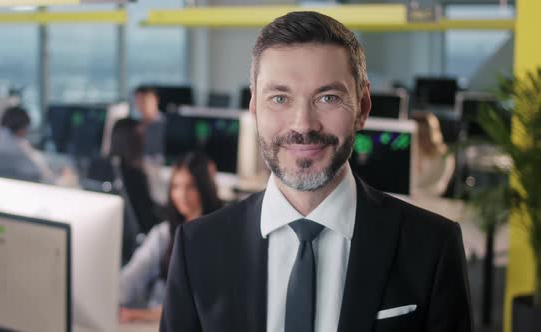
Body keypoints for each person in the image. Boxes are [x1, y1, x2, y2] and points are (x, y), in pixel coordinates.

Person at [160, 11, 472, 332]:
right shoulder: (197, 247)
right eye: (279, 98)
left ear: (363, 107)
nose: (303, 125)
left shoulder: (432, 246)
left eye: (327, 97)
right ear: (254, 109)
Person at [119, 151, 222, 323]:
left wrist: (141, 315)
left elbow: (204, 307)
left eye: (191, 187)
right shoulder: (163, 234)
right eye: (176, 186)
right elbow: (128, 283)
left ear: (204, 188)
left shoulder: (219, 236)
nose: (182, 195)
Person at [87, 118, 160, 264]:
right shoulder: (134, 175)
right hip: (132, 244)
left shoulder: (96, 166)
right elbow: (147, 218)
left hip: (103, 241)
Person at [0, 106, 55, 183]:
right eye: (26, 127)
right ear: (21, 127)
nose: (27, 131)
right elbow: (38, 172)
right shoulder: (16, 147)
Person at [411, 111, 456, 197]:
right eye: (418, 135)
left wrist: (415, 194)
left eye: (424, 135)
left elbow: (439, 187)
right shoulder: (411, 152)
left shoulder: (445, 156)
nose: (420, 139)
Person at [134, 85, 166, 159]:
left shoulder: (167, 124)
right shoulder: (134, 125)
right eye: (138, 101)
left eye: (145, 100)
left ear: (156, 100)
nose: (141, 105)